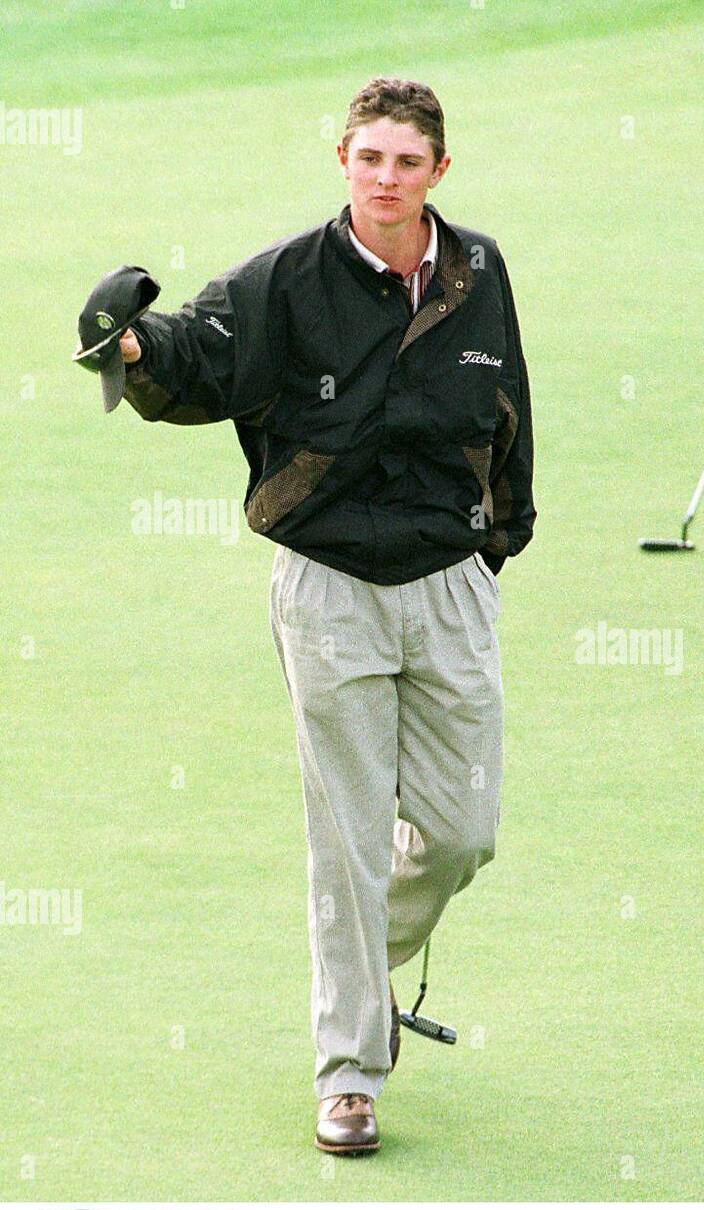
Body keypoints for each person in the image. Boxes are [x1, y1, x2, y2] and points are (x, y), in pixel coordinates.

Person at [83, 77, 534, 1154]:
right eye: (368, 159)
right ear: (342, 159)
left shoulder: (478, 273)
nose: (385, 179)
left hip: (447, 582)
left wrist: (500, 538)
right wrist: (133, 349)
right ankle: (349, 1072)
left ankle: (356, 976)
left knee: (463, 831)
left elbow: (509, 399)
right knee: (343, 839)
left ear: (438, 171)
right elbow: (196, 351)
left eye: (406, 162)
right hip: (326, 585)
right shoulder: (287, 277)